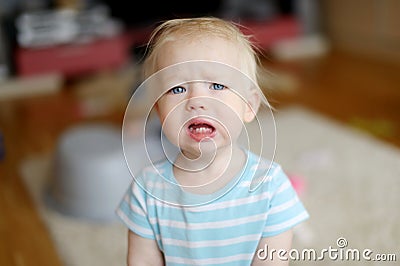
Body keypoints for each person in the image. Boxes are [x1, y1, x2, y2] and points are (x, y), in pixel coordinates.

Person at [117, 17, 309, 265]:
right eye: (177, 89)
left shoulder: (271, 187)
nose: (197, 100)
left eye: (217, 85)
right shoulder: (147, 191)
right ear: (158, 110)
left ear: (249, 106)